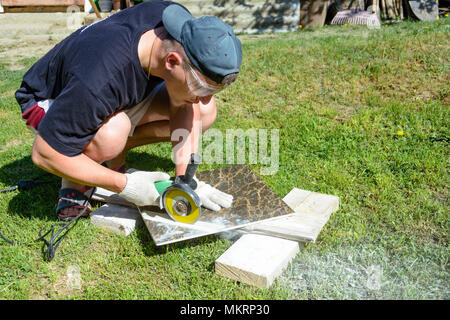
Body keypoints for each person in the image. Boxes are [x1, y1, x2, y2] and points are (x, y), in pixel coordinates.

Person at [15, 1, 242, 220]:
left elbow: (187, 104)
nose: (204, 96)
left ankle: (110, 157)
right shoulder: (98, 81)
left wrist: (185, 181)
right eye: (201, 86)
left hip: (111, 90)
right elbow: (44, 153)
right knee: (111, 135)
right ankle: (74, 183)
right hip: (50, 100)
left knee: (205, 111)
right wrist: (126, 185)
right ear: (172, 62)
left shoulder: (175, 28)